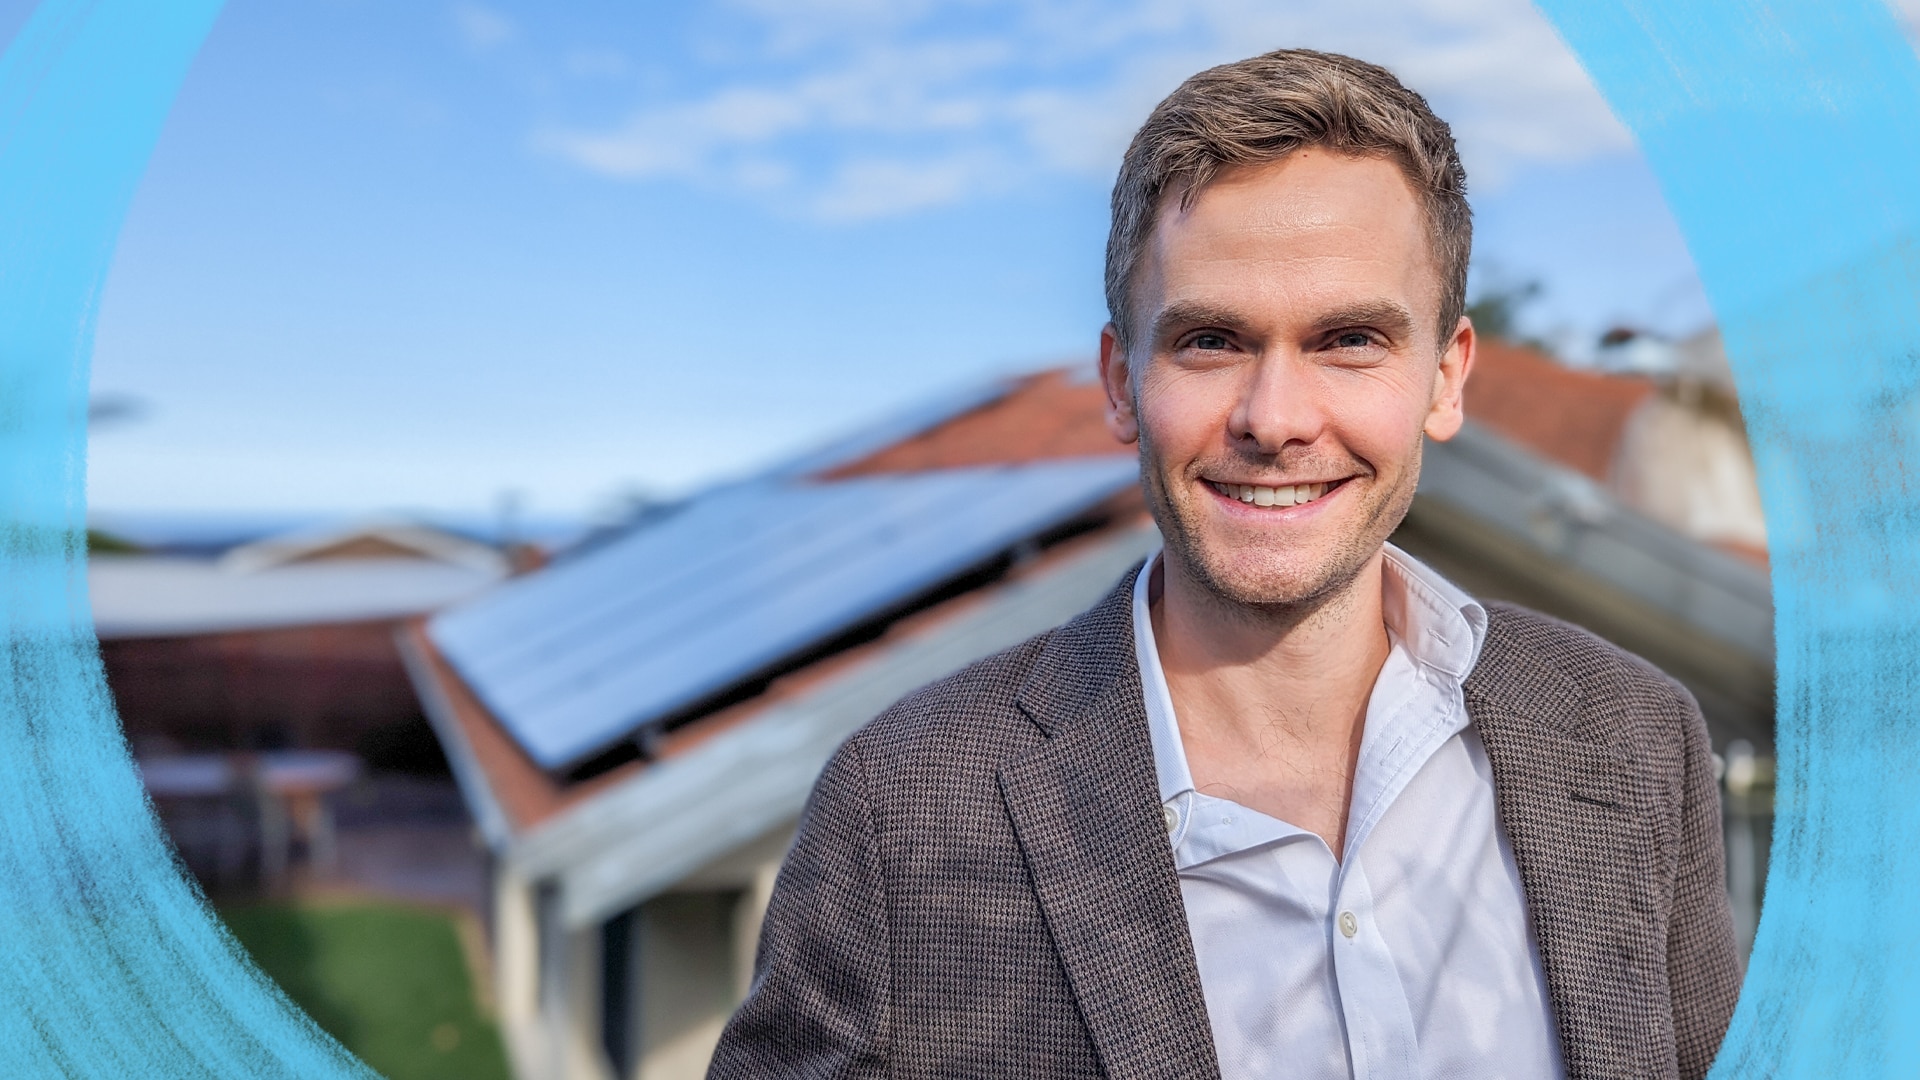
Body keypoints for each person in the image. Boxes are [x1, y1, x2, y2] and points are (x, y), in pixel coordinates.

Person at [708, 48, 1739, 1080]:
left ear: (1445, 377)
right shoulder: (902, 812)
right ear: (1121, 382)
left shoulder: (1634, 738)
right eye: (1209, 341)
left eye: (1350, 339)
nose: (1274, 420)